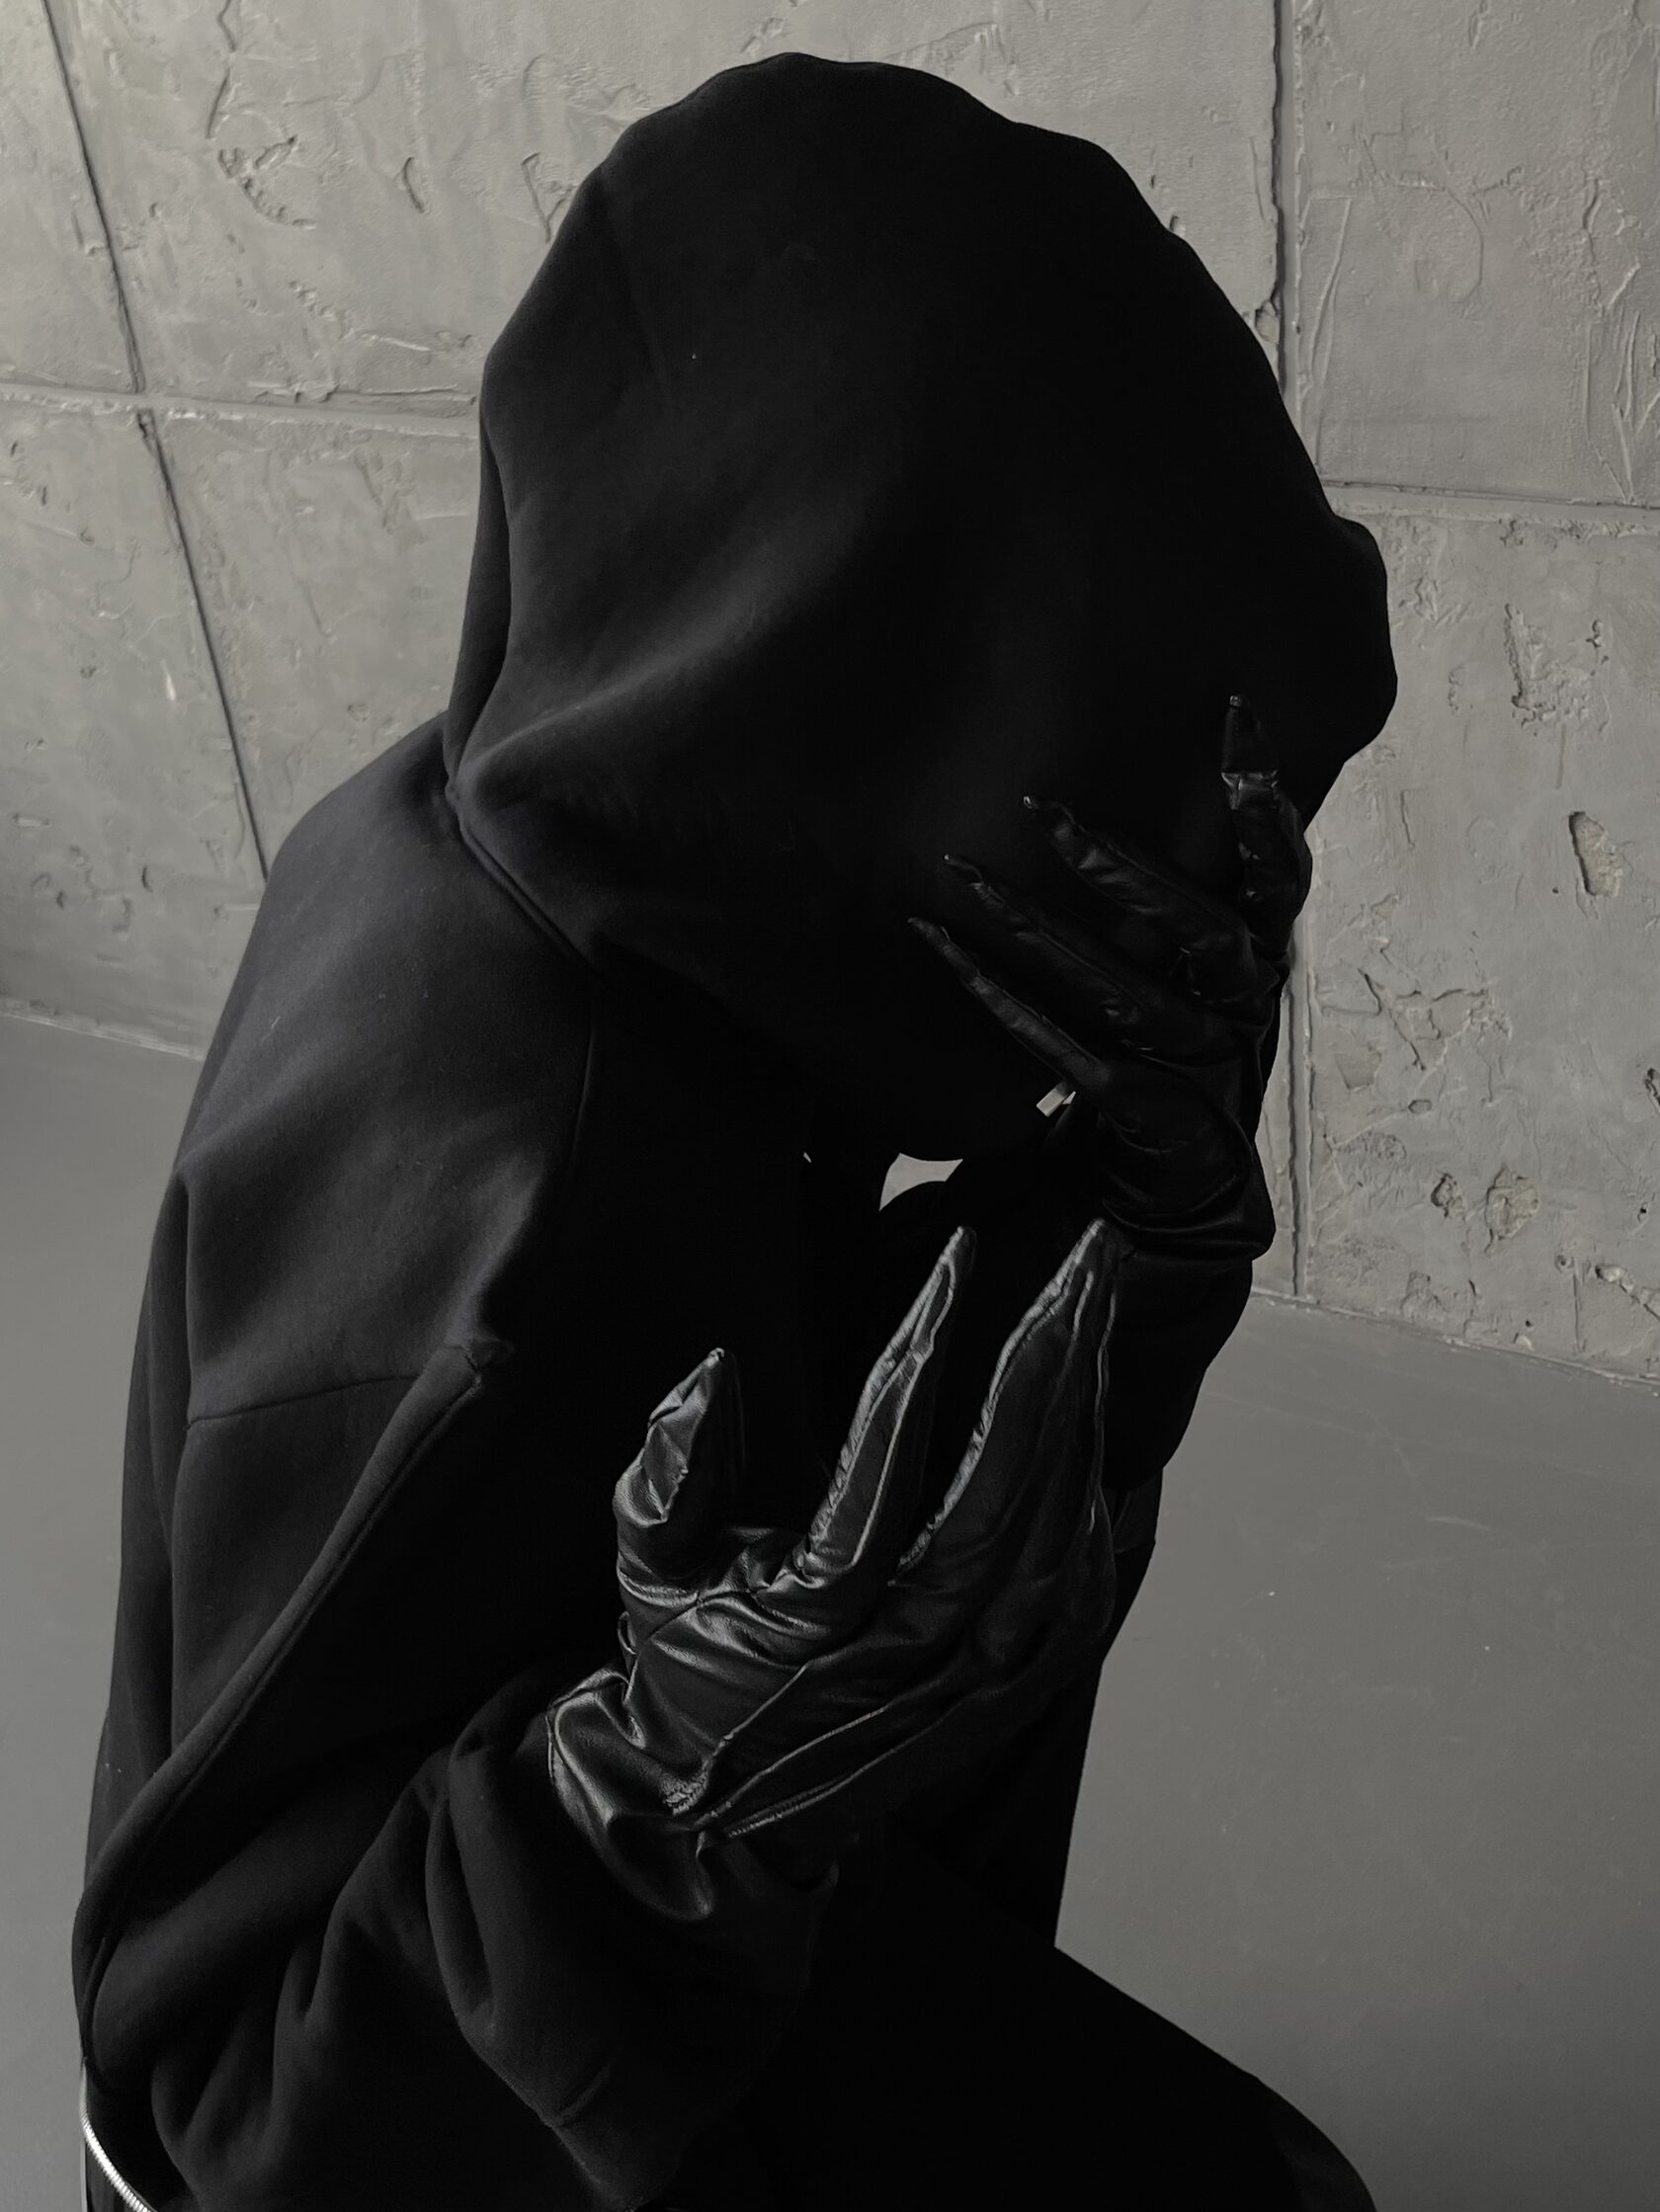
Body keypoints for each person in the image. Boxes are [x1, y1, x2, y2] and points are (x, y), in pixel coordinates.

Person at [73, 50, 1396, 2212]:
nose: (1174, 879)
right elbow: (218, 2127)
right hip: (487, 2078)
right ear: (893, 686)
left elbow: (822, 1476)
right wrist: (654, 1805)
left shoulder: (533, 830)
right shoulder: (516, 1223)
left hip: (599, 1970)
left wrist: (1113, 1242)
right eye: (1110, 774)